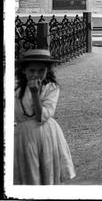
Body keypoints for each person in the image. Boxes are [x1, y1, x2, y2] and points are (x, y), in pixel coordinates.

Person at [14, 48, 75, 185]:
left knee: (46, 172)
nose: (36, 74)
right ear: (24, 70)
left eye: (41, 70)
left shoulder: (51, 88)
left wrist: (35, 93)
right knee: (29, 174)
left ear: (47, 71)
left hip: (44, 134)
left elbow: (40, 117)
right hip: (23, 136)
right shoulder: (16, 89)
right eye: (32, 70)